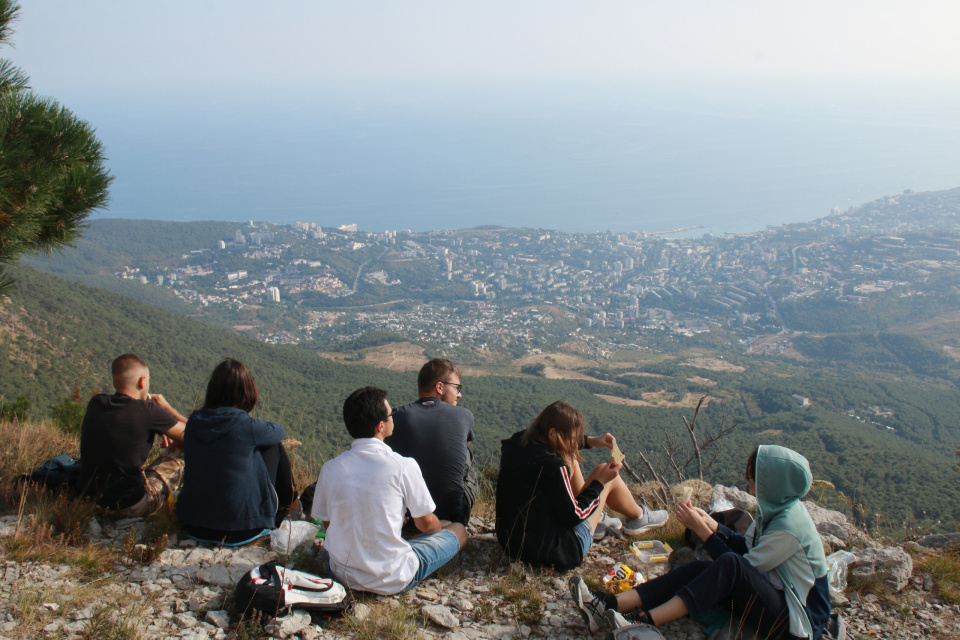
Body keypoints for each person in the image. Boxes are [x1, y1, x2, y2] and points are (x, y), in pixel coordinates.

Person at [570, 445, 831, 640]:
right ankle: (607, 605)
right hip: (776, 597)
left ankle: (645, 621)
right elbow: (745, 547)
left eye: (752, 477)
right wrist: (713, 525)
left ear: (771, 483)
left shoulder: (789, 527)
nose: (747, 481)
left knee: (726, 564)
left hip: (798, 624)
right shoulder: (776, 508)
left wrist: (704, 533)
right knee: (699, 568)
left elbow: (741, 568)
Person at [312, 386, 468, 595]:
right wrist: (441, 527)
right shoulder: (402, 465)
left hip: (342, 573)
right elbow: (426, 524)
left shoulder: (330, 468)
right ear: (380, 425)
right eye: (391, 414)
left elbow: (329, 523)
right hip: (393, 577)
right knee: (458, 530)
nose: (394, 417)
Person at [496, 400, 668, 572]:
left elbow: (563, 445)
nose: (575, 443)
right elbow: (574, 515)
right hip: (560, 551)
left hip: (512, 542)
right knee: (605, 474)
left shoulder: (517, 443)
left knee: (570, 456)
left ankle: (599, 521)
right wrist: (600, 482)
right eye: (573, 438)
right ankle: (639, 518)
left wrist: (591, 441)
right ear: (552, 433)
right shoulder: (554, 468)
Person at [176, 359, 300, 543]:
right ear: (245, 396)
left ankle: (293, 506)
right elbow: (278, 431)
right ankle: (294, 508)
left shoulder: (194, 422)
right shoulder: (245, 426)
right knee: (273, 445)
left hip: (193, 524)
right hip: (242, 529)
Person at [78, 353, 187, 516]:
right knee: (182, 448)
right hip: (129, 506)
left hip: (88, 500)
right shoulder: (149, 412)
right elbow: (196, 435)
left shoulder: (96, 402)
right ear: (142, 381)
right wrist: (167, 409)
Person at [386, 358, 477, 526]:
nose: (459, 394)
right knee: (466, 452)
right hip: (453, 516)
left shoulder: (396, 416)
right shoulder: (464, 415)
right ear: (440, 387)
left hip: (408, 517)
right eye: (457, 388)